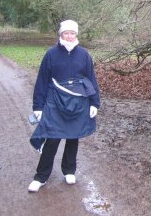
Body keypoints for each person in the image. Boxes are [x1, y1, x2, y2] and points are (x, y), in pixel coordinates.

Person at [28, 19, 101, 192]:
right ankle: (41, 177)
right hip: (55, 100)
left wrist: (94, 102)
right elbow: (42, 80)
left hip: (78, 101)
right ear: (61, 34)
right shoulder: (51, 54)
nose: (69, 36)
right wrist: (38, 107)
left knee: (72, 137)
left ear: (76, 34)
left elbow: (91, 79)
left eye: (72, 33)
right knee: (52, 137)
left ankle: (69, 170)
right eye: (66, 33)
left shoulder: (84, 55)